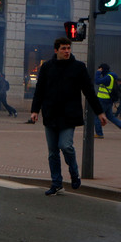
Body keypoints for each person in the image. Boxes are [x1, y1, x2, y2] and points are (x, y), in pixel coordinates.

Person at [31, 37, 107, 196]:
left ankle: (74, 173)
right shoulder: (47, 67)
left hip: (69, 115)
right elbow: (40, 90)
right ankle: (56, 183)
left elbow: (89, 91)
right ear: (56, 50)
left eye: (68, 48)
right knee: (52, 152)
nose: (67, 51)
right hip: (51, 114)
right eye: (63, 48)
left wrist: (99, 112)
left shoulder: (78, 67)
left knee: (65, 145)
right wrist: (35, 110)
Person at [92, 63, 121, 139]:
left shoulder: (108, 77)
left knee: (97, 116)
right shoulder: (111, 76)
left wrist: (98, 73)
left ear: (102, 69)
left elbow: (97, 81)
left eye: (100, 69)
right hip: (108, 100)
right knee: (110, 116)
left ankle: (99, 134)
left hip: (103, 100)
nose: (99, 70)